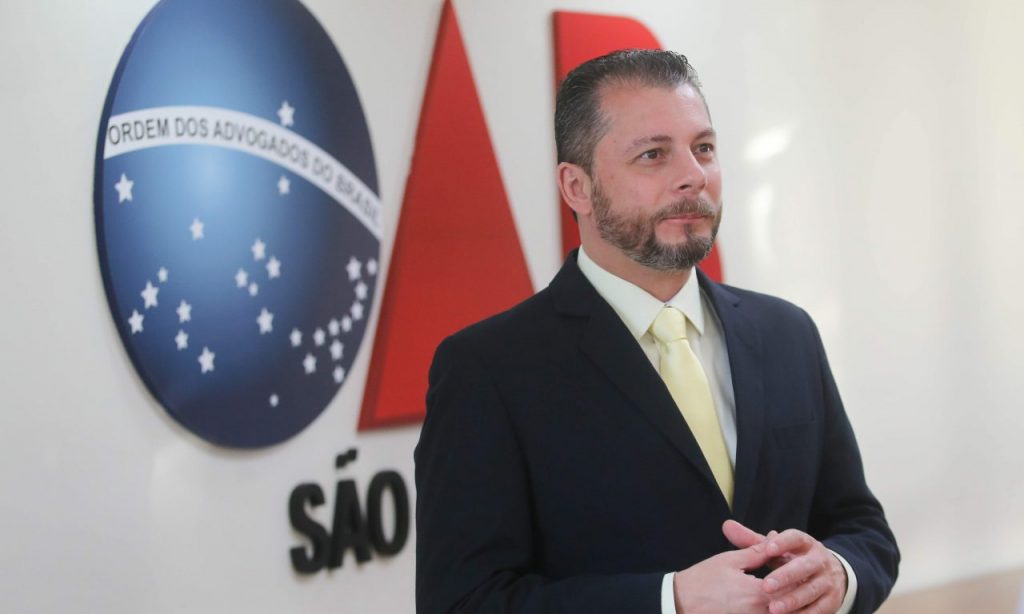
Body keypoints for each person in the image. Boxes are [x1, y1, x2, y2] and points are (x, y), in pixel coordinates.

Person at [415, 49, 899, 614]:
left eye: (704, 148)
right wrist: (669, 601)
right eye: (653, 154)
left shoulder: (787, 333)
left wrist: (838, 573)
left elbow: (862, 528)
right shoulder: (488, 369)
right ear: (577, 187)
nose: (694, 176)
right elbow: (462, 602)